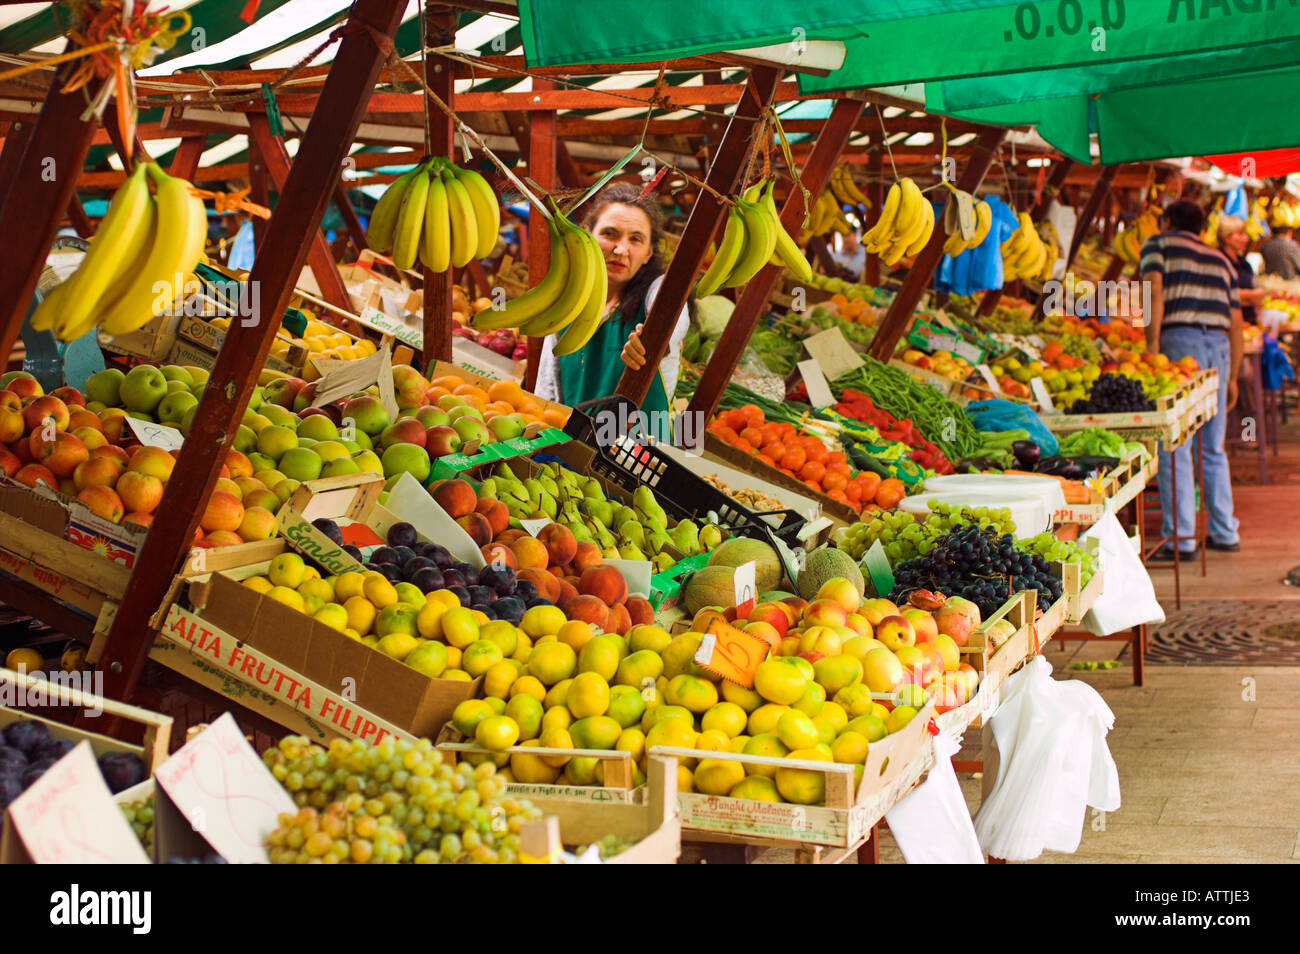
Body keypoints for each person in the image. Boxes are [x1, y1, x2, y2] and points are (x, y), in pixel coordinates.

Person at [535, 182, 689, 442]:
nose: (620, 250)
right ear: (587, 235)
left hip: (641, 459)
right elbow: (547, 394)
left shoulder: (655, 292)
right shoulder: (566, 309)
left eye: (635, 239)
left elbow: (674, 316)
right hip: (573, 452)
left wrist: (654, 338)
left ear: (649, 252)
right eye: (610, 234)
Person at [1140, 199, 1242, 558]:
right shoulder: (1222, 259)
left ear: (1166, 220)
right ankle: (1224, 531)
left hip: (1179, 342)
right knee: (1213, 445)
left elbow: (1153, 291)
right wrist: (1233, 377)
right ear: (1202, 227)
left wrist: (1152, 348)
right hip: (1219, 348)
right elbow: (1236, 321)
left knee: (1175, 441)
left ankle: (1182, 538)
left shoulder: (1159, 244)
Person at [1217, 215, 1267, 326]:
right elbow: (1222, 295)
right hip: (1227, 325)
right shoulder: (1218, 261)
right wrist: (1251, 295)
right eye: (1241, 234)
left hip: (1248, 323)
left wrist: (1244, 296)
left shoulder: (1244, 263)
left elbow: (1260, 294)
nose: (1246, 239)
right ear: (1227, 238)